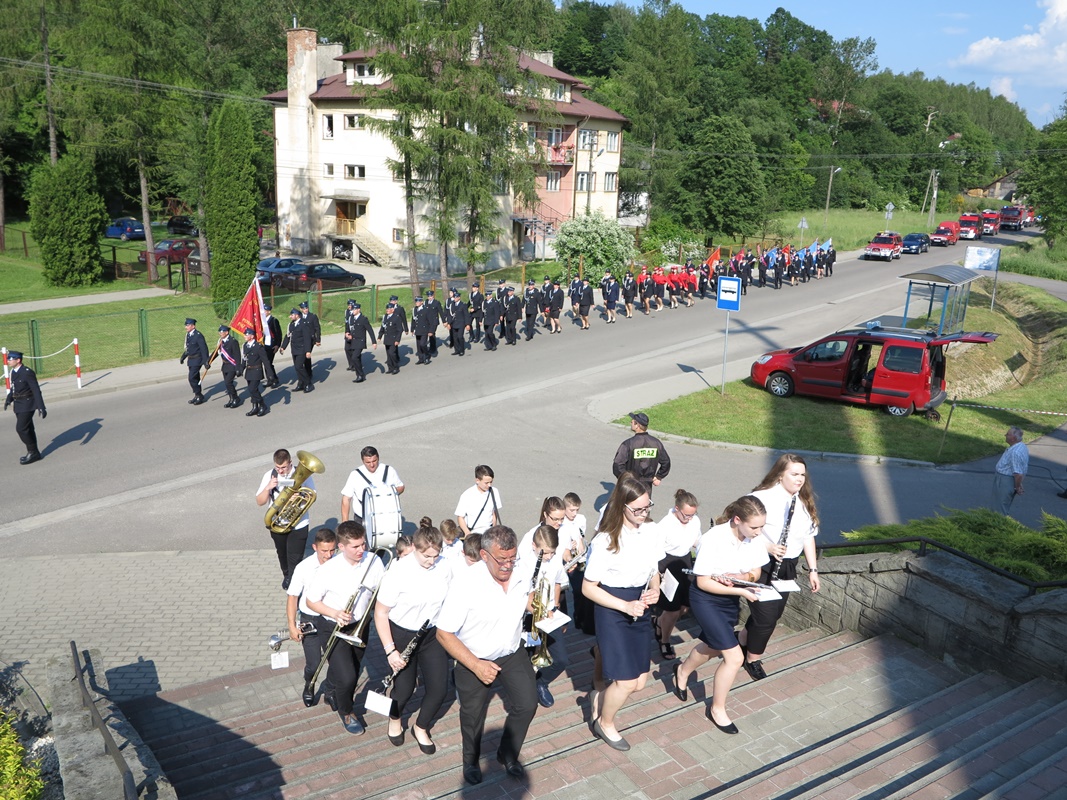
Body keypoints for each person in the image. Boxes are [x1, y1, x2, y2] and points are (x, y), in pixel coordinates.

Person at [436, 525, 538, 785]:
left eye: (512, 558)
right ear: (484, 555)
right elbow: (444, 633)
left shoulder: (521, 570)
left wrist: (539, 607)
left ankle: (507, 753)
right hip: (474, 658)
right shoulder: (466, 584)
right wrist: (476, 665)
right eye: (502, 559)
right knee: (472, 716)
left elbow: (527, 597)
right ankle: (471, 761)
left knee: (527, 704)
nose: (508, 566)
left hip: (511, 651)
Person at [672, 495, 769, 735]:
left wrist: (742, 578)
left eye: (762, 526)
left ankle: (682, 671)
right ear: (737, 520)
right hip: (706, 599)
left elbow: (756, 571)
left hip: (729, 598)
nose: (759, 532)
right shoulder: (713, 538)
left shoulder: (754, 538)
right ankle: (717, 709)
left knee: (714, 646)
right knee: (734, 657)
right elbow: (703, 582)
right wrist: (741, 590)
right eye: (754, 527)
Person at [583, 474, 663, 751]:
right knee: (626, 682)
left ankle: (598, 697)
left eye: (647, 507)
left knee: (639, 683)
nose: (644, 513)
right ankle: (604, 723)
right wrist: (624, 606)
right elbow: (588, 588)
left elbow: (654, 570)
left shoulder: (651, 531)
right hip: (613, 607)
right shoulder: (606, 540)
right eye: (637, 509)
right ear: (622, 506)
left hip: (640, 603)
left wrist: (656, 589)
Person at [737, 453, 821, 680]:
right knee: (765, 618)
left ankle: (743, 639)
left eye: (802, 474)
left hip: (787, 567)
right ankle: (752, 659)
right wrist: (768, 546)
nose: (800, 479)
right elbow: (739, 528)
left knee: (773, 614)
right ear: (780, 474)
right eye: (794, 474)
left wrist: (813, 570)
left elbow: (808, 537)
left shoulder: (803, 501)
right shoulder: (761, 498)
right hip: (762, 564)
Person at [373, 520, 452, 754]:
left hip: (431, 634)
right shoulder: (398, 572)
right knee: (404, 689)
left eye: (435, 556)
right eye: (427, 556)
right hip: (402, 634)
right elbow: (381, 613)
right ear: (415, 548)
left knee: (439, 688)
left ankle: (421, 726)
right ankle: (395, 718)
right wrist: (390, 650)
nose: (432, 561)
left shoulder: (445, 566)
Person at [305, 521, 387, 735]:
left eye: (363, 544)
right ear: (341, 547)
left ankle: (331, 690)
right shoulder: (328, 570)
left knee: (353, 667)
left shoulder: (374, 561)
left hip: (360, 625)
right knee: (348, 677)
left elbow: (381, 591)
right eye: (355, 546)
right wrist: (335, 613)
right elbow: (311, 601)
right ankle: (347, 711)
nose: (362, 550)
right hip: (332, 626)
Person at [517, 500, 571, 708]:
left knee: (561, 659)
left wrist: (555, 606)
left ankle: (541, 682)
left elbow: (557, 582)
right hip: (530, 615)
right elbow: (524, 594)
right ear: (535, 547)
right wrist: (536, 610)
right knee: (525, 658)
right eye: (545, 553)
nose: (548, 557)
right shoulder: (525, 562)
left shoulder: (554, 559)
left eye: (552, 553)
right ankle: (526, 689)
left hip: (548, 614)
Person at [286, 527, 338, 707]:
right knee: (313, 663)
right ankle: (310, 684)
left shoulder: (340, 564)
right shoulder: (304, 567)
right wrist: (292, 626)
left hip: (332, 617)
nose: (329, 555)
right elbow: (292, 597)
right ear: (315, 547)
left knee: (336, 661)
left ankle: (330, 690)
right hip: (311, 618)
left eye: (332, 550)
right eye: (324, 551)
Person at [256, 448, 316, 589]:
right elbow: (260, 501)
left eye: (283, 467)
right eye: (278, 467)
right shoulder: (270, 475)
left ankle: (295, 585)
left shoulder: (303, 474)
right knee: (282, 554)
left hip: (299, 523)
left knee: (295, 557)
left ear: (290, 462)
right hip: (277, 523)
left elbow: (312, 495)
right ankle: (287, 575)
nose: (281, 471)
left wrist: (300, 496)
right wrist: (267, 488)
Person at [653, 489, 701, 660]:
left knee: (685, 607)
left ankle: (659, 622)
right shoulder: (664, 525)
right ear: (677, 509)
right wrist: (658, 575)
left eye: (693, 515)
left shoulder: (694, 521)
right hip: (667, 563)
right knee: (672, 610)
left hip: (685, 561)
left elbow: (696, 541)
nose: (690, 519)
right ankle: (664, 641)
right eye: (686, 515)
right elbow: (655, 552)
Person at [340, 445, 405, 523]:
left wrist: (389, 492)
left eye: (374, 461)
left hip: (386, 516)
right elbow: (346, 498)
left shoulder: (389, 470)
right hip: (362, 519)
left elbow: (401, 487)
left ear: (378, 458)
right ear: (362, 461)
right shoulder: (355, 475)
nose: (372, 465)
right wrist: (345, 522)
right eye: (368, 462)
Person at [612, 412, 671, 494]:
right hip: (647, 487)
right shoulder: (656, 443)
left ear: (637, 425)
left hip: (631, 486)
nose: (630, 422)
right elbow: (666, 462)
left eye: (632, 421)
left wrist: (626, 479)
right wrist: (659, 476)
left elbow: (617, 464)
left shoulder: (628, 444)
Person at [4, 350, 46, 465]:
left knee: (21, 429)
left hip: (28, 404)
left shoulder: (27, 372)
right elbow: (14, 387)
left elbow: (36, 390)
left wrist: (41, 407)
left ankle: (32, 452)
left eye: (10, 359)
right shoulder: (14, 372)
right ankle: (34, 453)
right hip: (18, 404)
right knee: (28, 429)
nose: (8, 361)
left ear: (18, 360)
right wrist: (9, 398)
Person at [455, 465, 502, 537]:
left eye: (491, 482)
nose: (489, 485)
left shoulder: (494, 492)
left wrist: (493, 530)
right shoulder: (467, 495)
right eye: (486, 483)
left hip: (488, 533)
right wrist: (467, 532)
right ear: (477, 480)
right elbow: (460, 517)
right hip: (473, 533)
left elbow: (494, 513)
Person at [992, 426, 1029, 514]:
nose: (1005, 435)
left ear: (1013, 438)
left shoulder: (1015, 452)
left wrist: (1017, 487)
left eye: (1008, 434)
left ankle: (998, 522)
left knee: (999, 509)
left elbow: (1018, 474)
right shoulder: (1022, 446)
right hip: (1009, 480)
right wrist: (1018, 484)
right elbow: (1020, 469)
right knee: (1003, 505)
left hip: (1004, 481)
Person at [279, 308, 313, 392]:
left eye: (292, 315)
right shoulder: (291, 324)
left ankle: (308, 383)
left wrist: (308, 351)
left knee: (299, 366)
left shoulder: (304, 324)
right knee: (297, 368)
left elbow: (307, 338)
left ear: (297, 315)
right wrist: (283, 347)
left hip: (302, 349)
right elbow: (288, 336)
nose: (290, 316)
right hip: (294, 349)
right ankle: (301, 383)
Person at [344, 301, 377, 383]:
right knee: (356, 358)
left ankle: (360, 375)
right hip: (353, 341)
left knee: (354, 357)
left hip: (360, 341)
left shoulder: (363, 319)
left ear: (359, 310)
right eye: (352, 309)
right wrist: (347, 333)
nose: (353, 311)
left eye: (354, 309)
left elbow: (370, 330)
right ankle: (359, 374)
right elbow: (348, 328)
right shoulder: (351, 318)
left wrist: (374, 342)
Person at [240, 327, 270, 417]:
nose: (245, 336)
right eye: (245, 334)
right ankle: (255, 407)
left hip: (256, 370)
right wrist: (241, 369)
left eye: (246, 334)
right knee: (252, 390)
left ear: (252, 336)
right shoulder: (245, 346)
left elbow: (265, 361)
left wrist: (270, 374)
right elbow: (244, 359)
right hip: (249, 371)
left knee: (252, 389)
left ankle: (262, 405)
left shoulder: (258, 346)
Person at [181, 318, 209, 405]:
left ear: (193, 326)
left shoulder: (198, 335)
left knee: (191, 378)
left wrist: (206, 361)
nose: (186, 327)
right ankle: (197, 395)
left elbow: (204, 349)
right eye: (186, 325)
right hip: (191, 360)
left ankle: (199, 395)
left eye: (187, 325)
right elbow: (189, 348)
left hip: (197, 360)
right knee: (196, 378)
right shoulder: (188, 335)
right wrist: (183, 357)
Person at [216, 325, 242, 408]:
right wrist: (208, 361)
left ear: (226, 332)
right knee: (227, 384)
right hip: (225, 365)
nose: (220, 333)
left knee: (228, 382)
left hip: (232, 365)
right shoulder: (221, 341)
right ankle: (231, 399)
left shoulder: (233, 341)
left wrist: (238, 368)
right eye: (219, 332)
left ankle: (236, 398)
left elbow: (237, 355)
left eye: (221, 332)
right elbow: (216, 352)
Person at [378, 303, 404, 375]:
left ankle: (395, 367)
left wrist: (397, 340)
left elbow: (400, 330)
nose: (387, 310)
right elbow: (383, 327)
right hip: (387, 338)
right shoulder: (385, 317)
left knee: (392, 353)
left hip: (393, 339)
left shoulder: (396, 317)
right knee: (388, 354)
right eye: (387, 309)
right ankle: (390, 368)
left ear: (393, 310)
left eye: (389, 309)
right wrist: (380, 336)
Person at [298, 300, 321, 382]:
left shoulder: (312, 316)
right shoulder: (299, 317)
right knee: (302, 356)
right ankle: (304, 372)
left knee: (306, 356)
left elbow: (317, 328)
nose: (306, 310)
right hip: (301, 340)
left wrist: (318, 339)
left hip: (310, 340)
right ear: (301, 309)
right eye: (304, 308)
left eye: (306, 308)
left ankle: (308, 373)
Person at [262, 304, 282, 387]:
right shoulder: (262, 321)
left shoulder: (273, 320)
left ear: (269, 312)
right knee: (266, 363)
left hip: (271, 345)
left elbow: (278, 334)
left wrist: (277, 345)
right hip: (264, 344)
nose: (263, 312)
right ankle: (269, 379)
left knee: (269, 363)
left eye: (265, 311)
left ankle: (275, 379)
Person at [447, 289, 470, 356]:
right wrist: (448, 323)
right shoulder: (452, 305)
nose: (455, 298)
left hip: (461, 323)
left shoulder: (463, 305)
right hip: (454, 323)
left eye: (456, 297)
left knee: (460, 337)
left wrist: (467, 324)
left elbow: (466, 315)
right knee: (455, 338)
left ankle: (462, 350)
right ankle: (457, 350)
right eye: (454, 297)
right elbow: (450, 315)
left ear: (459, 298)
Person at [423, 289, 443, 356]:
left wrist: (444, 321)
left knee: (431, 334)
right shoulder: (426, 302)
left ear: (433, 296)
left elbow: (441, 312)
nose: (429, 297)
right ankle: (431, 347)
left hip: (434, 321)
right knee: (430, 334)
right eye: (428, 296)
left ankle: (433, 349)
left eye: (431, 296)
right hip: (427, 322)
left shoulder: (436, 303)